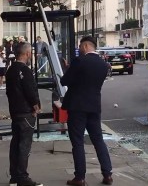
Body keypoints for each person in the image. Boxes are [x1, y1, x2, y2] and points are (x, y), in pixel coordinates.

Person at [61, 36, 113, 186]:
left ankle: (80, 177)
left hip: (77, 107)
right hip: (94, 106)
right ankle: (107, 174)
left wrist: (67, 69)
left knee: (77, 142)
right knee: (98, 140)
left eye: (80, 47)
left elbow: (65, 81)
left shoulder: (79, 61)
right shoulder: (103, 64)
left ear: (84, 46)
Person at [5, 42, 42, 186]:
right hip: (26, 112)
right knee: (24, 145)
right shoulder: (25, 70)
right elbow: (30, 91)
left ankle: (14, 176)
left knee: (15, 144)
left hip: (15, 111)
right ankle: (22, 177)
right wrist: (36, 107)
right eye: (30, 52)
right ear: (26, 53)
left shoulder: (11, 70)